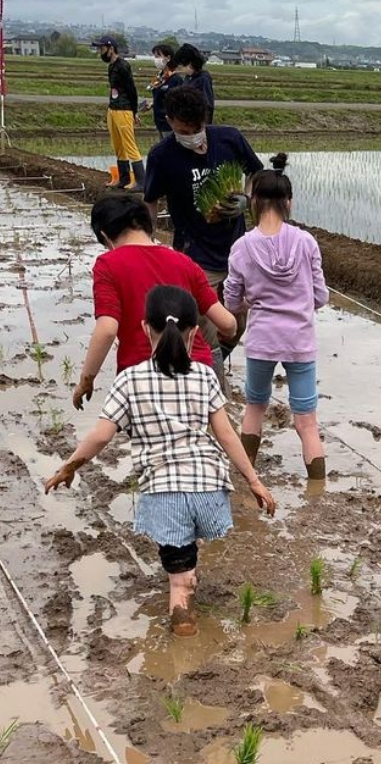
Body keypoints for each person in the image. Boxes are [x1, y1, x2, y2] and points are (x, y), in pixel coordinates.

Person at [46, 286, 276, 637]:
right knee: (186, 547)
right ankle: (187, 569)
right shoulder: (203, 375)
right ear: (195, 333)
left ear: (143, 329)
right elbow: (227, 435)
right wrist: (255, 481)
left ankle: (183, 623)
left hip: (164, 492)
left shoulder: (130, 380)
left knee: (178, 579)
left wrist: (69, 466)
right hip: (208, 488)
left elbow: (102, 436)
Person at [71, 195, 237, 411]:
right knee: (195, 439)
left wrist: (87, 379)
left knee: (150, 442)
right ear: (148, 226)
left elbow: (107, 330)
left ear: (105, 235)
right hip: (197, 373)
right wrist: (230, 333)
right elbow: (227, 323)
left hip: (143, 376)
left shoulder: (108, 265)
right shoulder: (184, 262)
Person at [144, 86, 262, 386]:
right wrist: (148, 244)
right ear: (170, 121)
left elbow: (257, 174)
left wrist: (247, 199)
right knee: (204, 332)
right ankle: (215, 396)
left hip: (237, 253)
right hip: (195, 257)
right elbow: (151, 201)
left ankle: (210, 365)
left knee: (237, 325)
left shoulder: (230, 139)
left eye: (198, 128)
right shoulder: (162, 156)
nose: (194, 136)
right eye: (186, 130)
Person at [223, 153, 329, 480]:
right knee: (307, 422)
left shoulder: (242, 246)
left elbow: (231, 299)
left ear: (253, 201)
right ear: (289, 203)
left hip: (262, 341)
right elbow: (320, 296)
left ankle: (246, 480)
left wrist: (246, 304)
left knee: (255, 408)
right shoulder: (306, 241)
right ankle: (317, 491)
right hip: (300, 341)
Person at [90, 35, 144, 192]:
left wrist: (134, 112)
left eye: (102, 48)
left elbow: (131, 90)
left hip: (124, 109)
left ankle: (141, 180)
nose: (100, 51)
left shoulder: (123, 66)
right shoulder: (111, 66)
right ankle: (123, 178)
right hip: (113, 109)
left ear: (111, 48)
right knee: (118, 145)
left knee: (129, 144)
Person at [142, 44, 184, 139]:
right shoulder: (159, 78)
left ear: (168, 58)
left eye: (158, 56)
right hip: (159, 121)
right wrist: (152, 104)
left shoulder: (175, 79)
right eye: (155, 56)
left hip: (169, 123)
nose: (156, 59)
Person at [170, 44, 215, 124]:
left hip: (197, 124)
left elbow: (208, 106)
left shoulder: (203, 79)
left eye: (182, 65)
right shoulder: (188, 77)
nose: (180, 68)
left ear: (190, 63)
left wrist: (204, 127)